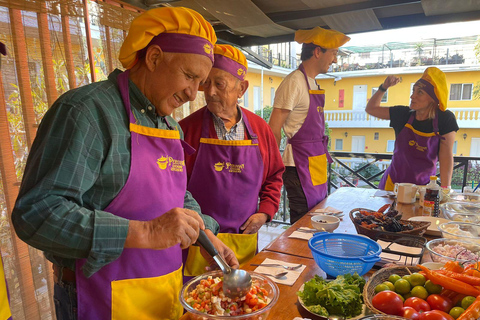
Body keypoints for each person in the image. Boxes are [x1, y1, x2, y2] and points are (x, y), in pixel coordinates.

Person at [11, 7, 238, 320]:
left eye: (199, 82)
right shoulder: (86, 112)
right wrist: (145, 232)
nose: (192, 94)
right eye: (189, 76)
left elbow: (176, 196)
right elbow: (36, 214)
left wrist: (204, 233)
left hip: (162, 294)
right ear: (155, 57)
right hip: (98, 297)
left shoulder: (169, 126)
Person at [179, 44, 284, 277]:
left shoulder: (260, 130)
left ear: (241, 88)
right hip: (200, 243)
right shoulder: (186, 130)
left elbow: (275, 176)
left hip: (244, 240)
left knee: (244, 300)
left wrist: (265, 212)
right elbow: (174, 188)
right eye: (206, 83)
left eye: (220, 84)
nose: (210, 92)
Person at [268, 27, 350, 224]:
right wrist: (272, 166)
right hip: (298, 166)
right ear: (317, 52)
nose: (335, 60)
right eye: (334, 53)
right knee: (303, 224)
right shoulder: (294, 82)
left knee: (318, 219)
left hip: (314, 163)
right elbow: (273, 127)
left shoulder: (312, 82)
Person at [366, 67, 458, 190]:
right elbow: (371, 109)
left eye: (419, 92)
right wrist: (383, 87)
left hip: (424, 187)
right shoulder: (403, 114)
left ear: (433, 98)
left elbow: (446, 156)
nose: (412, 96)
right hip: (393, 184)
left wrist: (446, 188)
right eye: (413, 91)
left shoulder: (445, 119)